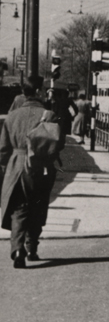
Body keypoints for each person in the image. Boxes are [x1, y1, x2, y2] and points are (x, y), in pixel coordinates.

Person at [0, 78, 65, 268]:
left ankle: (17, 248)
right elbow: (58, 144)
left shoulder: (12, 116)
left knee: (19, 209)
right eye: (44, 90)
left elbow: (3, 148)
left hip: (16, 166)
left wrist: (7, 167)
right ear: (37, 91)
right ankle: (32, 248)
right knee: (37, 206)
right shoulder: (49, 115)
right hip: (40, 167)